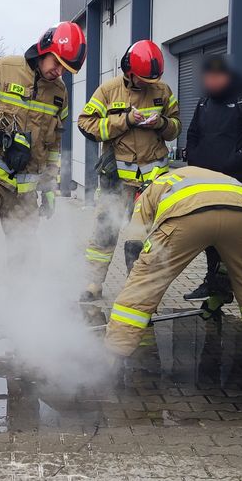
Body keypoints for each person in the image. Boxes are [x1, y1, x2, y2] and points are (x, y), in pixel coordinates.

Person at [104, 165, 242, 370]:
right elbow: (232, 250)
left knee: (145, 281)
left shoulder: (152, 188)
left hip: (187, 217)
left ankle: (115, 353)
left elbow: (134, 242)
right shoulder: (214, 176)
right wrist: (219, 289)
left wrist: (139, 283)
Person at [0, 22, 86, 240]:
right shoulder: (3, 69)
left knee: (25, 256)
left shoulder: (60, 93)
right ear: (44, 49)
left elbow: (53, 145)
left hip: (25, 188)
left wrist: (49, 185)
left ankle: (10, 276)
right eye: (57, 63)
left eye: (65, 69)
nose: (59, 72)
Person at [77, 40, 180, 301]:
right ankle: (93, 284)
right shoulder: (108, 91)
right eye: (143, 79)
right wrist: (125, 121)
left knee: (142, 239)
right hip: (116, 181)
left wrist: (163, 123)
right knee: (104, 231)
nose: (147, 84)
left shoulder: (163, 90)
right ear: (128, 71)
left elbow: (176, 126)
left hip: (153, 182)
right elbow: (86, 125)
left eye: (151, 80)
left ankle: (138, 290)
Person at [182, 54, 242, 300]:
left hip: (238, 181)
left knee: (241, 237)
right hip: (207, 182)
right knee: (211, 234)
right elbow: (192, 134)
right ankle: (215, 284)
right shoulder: (204, 103)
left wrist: (238, 157)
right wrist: (194, 158)